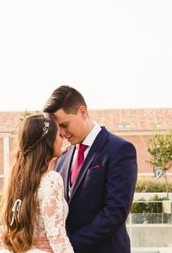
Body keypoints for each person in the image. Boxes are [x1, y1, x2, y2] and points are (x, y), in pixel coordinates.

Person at [41, 85, 138, 253]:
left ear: (83, 112)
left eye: (64, 124)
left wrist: (67, 245)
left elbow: (115, 212)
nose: (62, 133)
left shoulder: (120, 149)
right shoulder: (62, 157)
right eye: (58, 128)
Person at [0, 113, 74, 253]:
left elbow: (10, 231)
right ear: (48, 141)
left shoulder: (17, 179)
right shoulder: (51, 179)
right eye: (59, 135)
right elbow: (58, 238)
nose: (63, 137)